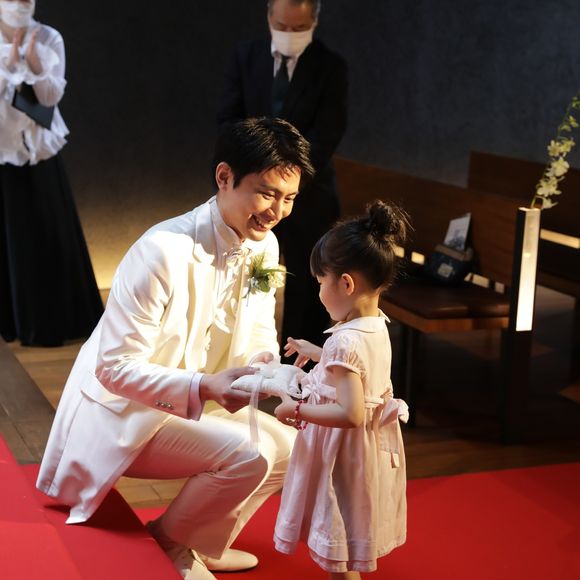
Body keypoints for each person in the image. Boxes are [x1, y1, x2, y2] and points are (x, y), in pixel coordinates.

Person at [36, 117, 315, 580]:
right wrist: (204, 386)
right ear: (224, 176)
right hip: (128, 411)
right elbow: (113, 368)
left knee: (291, 447)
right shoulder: (162, 250)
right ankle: (169, 542)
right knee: (251, 454)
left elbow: (259, 330)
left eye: (289, 198)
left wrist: (269, 372)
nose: (277, 211)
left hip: (202, 397)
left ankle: (200, 541)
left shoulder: (265, 246)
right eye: (267, 194)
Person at [273, 200, 410, 579]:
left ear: (346, 283)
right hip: (368, 448)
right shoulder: (377, 325)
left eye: (321, 283)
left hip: (343, 453)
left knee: (339, 526)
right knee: (350, 524)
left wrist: (295, 410)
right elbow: (360, 375)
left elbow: (350, 413)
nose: (319, 292)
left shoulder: (345, 341)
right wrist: (319, 353)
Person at [217, 0, 348, 350]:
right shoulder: (246, 57)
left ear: (314, 22)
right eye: (282, 27)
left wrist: (286, 180)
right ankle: (240, 352)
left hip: (310, 190)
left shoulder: (330, 66)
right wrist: (257, 173)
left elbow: (328, 132)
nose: (289, 34)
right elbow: (228, 120)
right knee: (244, 272)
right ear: (269, 17)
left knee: (308, 283)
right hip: (251, 187)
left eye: (298, 29)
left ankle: (300, 364)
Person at [0, 0, 103, 346]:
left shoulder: (48, 37)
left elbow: (50, 97)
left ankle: (59, 321)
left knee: (49, 233)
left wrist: (33, 66)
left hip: (40, 151)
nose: (20, 4)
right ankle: (12, 321)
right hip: (3, 152)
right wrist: (9, 68)